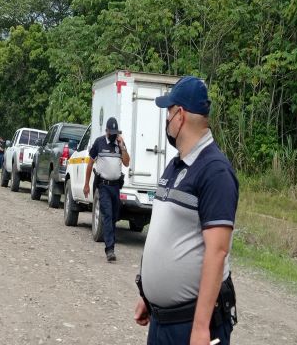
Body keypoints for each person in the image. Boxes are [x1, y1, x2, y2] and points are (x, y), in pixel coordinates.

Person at [134, 76, 239, 345]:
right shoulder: (175, 166)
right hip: (162, 322)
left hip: (190, 325)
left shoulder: (215, 171)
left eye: (168, 112)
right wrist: (149, 296)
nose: (166, 119)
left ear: (179, 115)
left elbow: (217, 252)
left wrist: (201, 328)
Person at [83, 117, 130, 262]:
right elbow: (90, 164)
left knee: (114, 217)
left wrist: (122, 147)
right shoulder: (99, 143)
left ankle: (110, 243)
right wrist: (86, 184)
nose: (115, 135)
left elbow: (127, 163)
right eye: (113, 132)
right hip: (103, 186)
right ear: (107, 131)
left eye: (117, 132)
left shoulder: (120, 145)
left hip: (116, 187)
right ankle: (110, 249)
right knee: (108, 216)